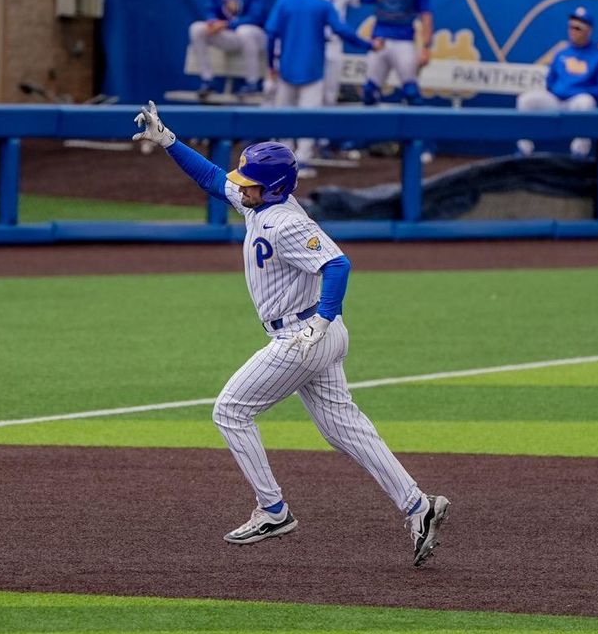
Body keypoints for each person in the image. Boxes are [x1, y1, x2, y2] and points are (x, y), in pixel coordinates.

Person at [132, 101, 450, 567]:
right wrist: (170, 141)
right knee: (347, 430)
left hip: (302, 336)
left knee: (230, 411)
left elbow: (338, 264)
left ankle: (273, 509)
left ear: (274, 186)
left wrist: (321, 320)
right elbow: (212, 179)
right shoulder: (260, 200)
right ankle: (419, 506)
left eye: (251, 182)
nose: (242, 187)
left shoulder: (288, 222)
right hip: (315, 335)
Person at [266, 0, 375, 176]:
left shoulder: (285, 1)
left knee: (283, 114)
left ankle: (282, 161)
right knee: (308, 116)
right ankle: (302, 160)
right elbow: (341, 30)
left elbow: (271, 33)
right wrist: (368, 45)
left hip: (287, 66)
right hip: (313, 67)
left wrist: (270, 64)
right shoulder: (322, 4)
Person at [515, 6, 598, 158]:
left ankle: (579, 154)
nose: (572, 31)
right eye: (570, 27)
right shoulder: (562, 53)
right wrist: (557, 90)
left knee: (587, 103)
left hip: (576, 102)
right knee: (526, 100)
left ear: (588, 31)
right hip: (556, 100)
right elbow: (550, 80)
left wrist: (577, 91)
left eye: (577, 28)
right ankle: (525, 151)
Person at [190, 0, 271, 99]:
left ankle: (252, 83)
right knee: (197, 29)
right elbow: (211, 9)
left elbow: (256, 18)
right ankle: (207, 81)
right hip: (231, 36)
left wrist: (226, 24)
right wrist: (212, 22)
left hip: (256, 35)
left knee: (245, 30)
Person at [360, 0, 433, 106]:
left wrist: (426, 47)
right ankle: (369, 123)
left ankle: (418, 123)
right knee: (369, 91)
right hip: (380, 41)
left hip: (404, 41)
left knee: (411, 92)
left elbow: (426, 15)